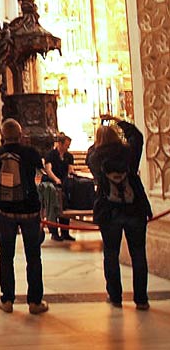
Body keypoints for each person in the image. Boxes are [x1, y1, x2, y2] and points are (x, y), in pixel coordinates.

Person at [86, 114, 151, 310]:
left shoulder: (95, 157)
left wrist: (100, 137)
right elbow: (137, 136)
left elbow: (91, 153)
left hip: (109, 211)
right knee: (138, 254)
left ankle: (115, 297)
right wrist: (116, 120)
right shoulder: (129, 153)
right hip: (134, 209)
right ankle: (141, 299)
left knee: (111, 254)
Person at [0, 118, 49, 315]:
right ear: (20, 135)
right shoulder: (30, 153)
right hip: (29, 211)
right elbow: (40, 175)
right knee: (33, 256)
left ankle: (7, 299)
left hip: (6, 211)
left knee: (6, 256)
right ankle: (35, 302)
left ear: (2, 135)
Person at [42, 133, 75, 241]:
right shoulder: (51, 155)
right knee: (54, 205)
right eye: (66, 145)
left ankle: (65, 231)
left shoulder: (69, 156)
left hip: (63, 182)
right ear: (60, 144)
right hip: (51, 182)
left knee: (65, 204)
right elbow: (48, 169)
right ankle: (54, 232)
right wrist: (56, 179)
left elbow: (70, 169)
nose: (68, 147)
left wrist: (71, 175)